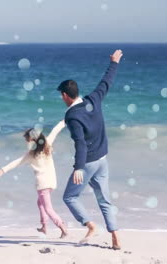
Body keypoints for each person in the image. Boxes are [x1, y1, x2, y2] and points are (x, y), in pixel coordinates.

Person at [57, 50, 123, 249]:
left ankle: (90, 225)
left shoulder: (72, 116)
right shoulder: (92, 100)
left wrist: (78, 167)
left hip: (88, 162)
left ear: (66, 95)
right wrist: (114, 63)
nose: (62, 98)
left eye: (62, 96)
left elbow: (80, 142)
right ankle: (116, 238)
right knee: (104, 199)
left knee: (69, 196)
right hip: (103, 159)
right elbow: (106, 83)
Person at [0, 121, 68, 238]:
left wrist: (2, 170)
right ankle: (44, 226)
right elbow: (55, 131)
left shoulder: (31, 154)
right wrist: (65, 121)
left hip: (42, 184)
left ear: (33, 140)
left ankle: (62, 227)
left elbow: (17, 162)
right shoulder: (47, 144)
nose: (27, 143)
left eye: (27, 140)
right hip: (52, 182)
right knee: (40, 203)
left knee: (48, 208)